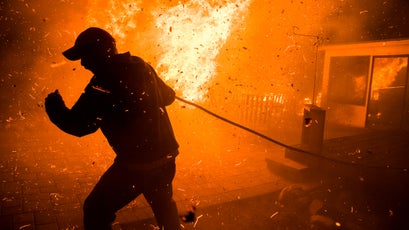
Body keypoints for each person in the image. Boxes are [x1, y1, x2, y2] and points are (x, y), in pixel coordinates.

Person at [45, 27, 181, 230]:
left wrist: (55, 108)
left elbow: (80, 125)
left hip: (137, 166)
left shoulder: (102, 83)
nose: (83, 64)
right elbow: (169, 96)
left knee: (95, 209)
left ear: (101, 52)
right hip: (166, 157)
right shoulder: (142, 66)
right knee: (163, 206)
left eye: (86, 56)